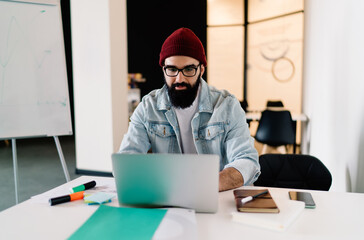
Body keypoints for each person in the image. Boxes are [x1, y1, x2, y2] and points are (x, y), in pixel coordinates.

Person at [119, 27, 260, 191]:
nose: (180, 78)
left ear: (201, 69)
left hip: (217, 198)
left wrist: (204, 185)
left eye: (188, 69)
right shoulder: (147, 107)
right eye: (172, 69)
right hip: (167, 196)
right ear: (163, 70)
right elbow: (126, 161)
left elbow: (248, 161)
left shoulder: (227, 106)